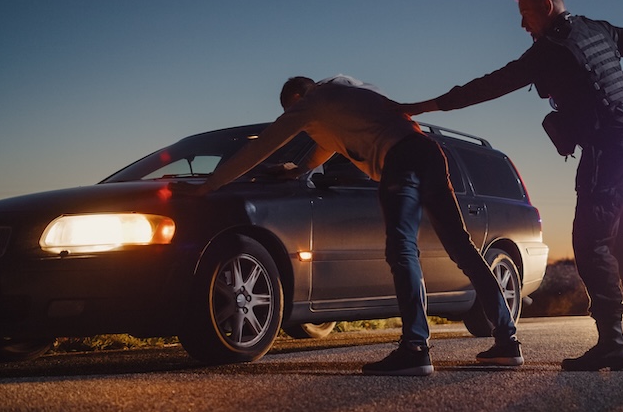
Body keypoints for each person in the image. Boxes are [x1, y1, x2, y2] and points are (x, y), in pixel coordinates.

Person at [400, 0, 623, 371]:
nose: (523, 26)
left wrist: (420, 106)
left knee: (590, 240)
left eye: (526, 15)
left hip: (607, 148)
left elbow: (487, 86)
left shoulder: (548, 51)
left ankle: (612, 341)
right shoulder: (600, 29)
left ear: (546, 6)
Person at [194, 75, 521, 376]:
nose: (301, 126)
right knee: (462, 248)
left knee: (402, 249)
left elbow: (261, 146)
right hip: (429, 153)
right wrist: (297, 170)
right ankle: (507, 342)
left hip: (401, 160)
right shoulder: (347, 94)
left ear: (298, 97)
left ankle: (415, 348)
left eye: (294, 113)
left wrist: (209, 186)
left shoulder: (312, 102)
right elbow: (325, 146)